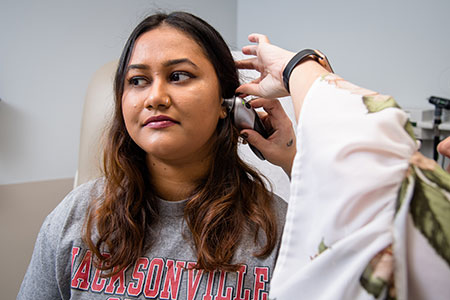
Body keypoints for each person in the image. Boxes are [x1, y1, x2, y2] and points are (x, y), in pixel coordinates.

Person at [18, 13, 287, 299]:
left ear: (226, 101)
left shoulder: (277, 231)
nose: (155, 97)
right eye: (137, 80)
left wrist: (302, 69)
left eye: (178, 76)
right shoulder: (74, 217)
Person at [236, 34, 450, 299]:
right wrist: (292, 159)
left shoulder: (270, 225)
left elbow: (375, 182)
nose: (444, 147)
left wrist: (296, 66)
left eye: (180, 77)